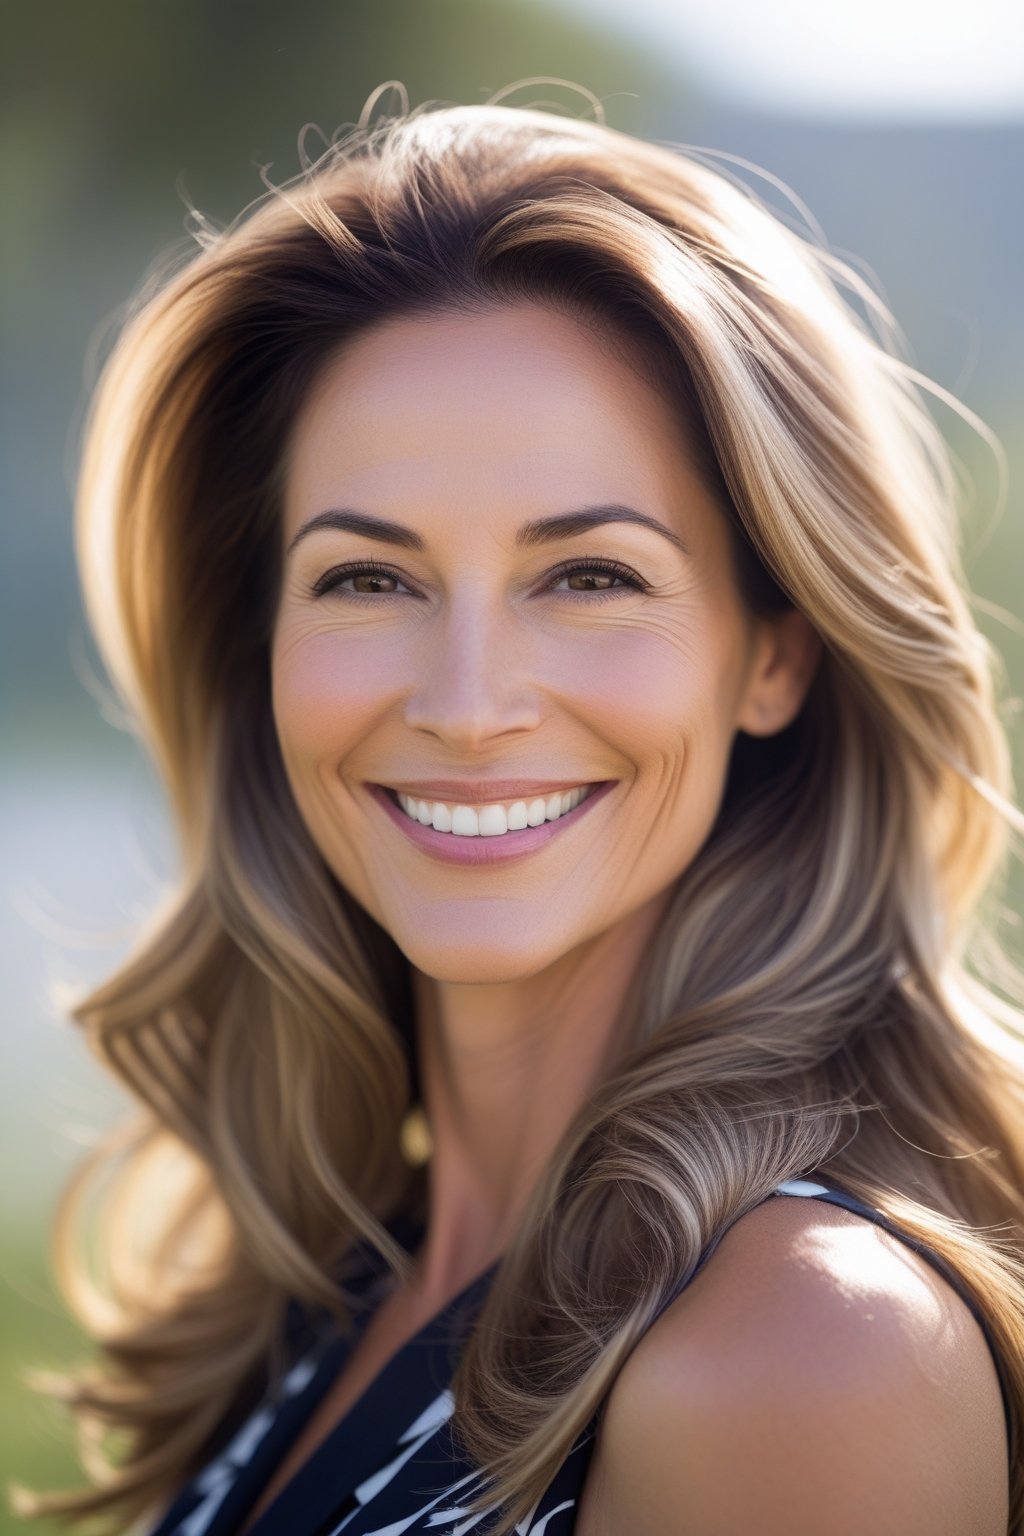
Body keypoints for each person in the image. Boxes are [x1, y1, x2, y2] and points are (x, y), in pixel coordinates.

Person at [11, 85, 1024, 1536]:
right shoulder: (329, 1275)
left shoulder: (807, 1354)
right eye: (369, 579)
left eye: (590, 576)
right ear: (264, 647)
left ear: (776, 652)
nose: (469, 703)